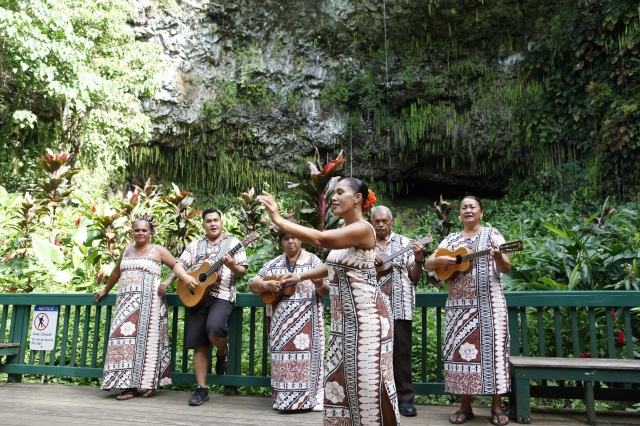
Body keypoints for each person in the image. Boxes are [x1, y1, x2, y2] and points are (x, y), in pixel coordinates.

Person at [257, 178, 400, 426]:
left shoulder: (364, 229)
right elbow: (332, 264)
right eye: (333, 193)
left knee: (371, 383)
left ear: (357, 198)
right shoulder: (345, 234)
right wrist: (301, 275)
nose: (334, 197)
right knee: (342, 384)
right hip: (342, 322)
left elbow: (322, 239)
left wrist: (279, 220)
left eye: (341, 192)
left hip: (367, 321)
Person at [424, 196, 511, 425]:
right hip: (457, 307)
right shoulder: (451, 239)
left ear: (481, 213)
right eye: (464, 207)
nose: (468, 210)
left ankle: (497, 406)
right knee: (460, 355)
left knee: (492, 354)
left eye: (473, 207)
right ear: (460, 214)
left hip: (489, 305)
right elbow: (429, 264)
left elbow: (506, 267)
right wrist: (442, 258)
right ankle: (465, 406)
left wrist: (499, 255)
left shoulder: (492, 235)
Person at [94, 215, 198, 401]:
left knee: (147, 344)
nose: (140, 233)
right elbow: (117, 271)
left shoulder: (157, 250)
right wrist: (105, 289)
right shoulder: (126, 249)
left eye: (144, 230)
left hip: (149, 303)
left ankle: (143, 385)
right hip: (125, 303)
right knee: (123, 342)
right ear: (132, 232)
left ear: (150, 232)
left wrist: (172, 281)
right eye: (137, 230)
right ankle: (125, 383)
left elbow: (178, 266)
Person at [160, 208, 248, 406]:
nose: (213, 224)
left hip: (221, 296)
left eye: (216, 220)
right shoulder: (195, 245)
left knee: (214, 328)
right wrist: (185, 279)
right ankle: (201, 389)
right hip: (196, 295)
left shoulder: (233, 244)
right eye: (209, 221)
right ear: (203, 224)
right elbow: (178, 265)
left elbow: (241, 271)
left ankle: (222, 350)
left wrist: (232, 265)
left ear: (221, 222)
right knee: (199, 343)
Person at [248, 222, 329, 412]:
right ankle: (282, 400)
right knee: (282, 363)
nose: (291, 241)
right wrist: (269, 286)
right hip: (281, 325)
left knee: (310, 361)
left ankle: (313, 400)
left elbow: (326, 290)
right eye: (286, 238)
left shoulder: (314, 262)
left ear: (301, 239)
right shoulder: (273, 264)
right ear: (281, 242)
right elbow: (253, 284)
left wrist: (318, 283)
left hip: (308, 324)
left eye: (294, 237)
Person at [370, 205, 424, 417]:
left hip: (400, 306)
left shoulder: (404, 243)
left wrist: (419, 258)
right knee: (373, 354)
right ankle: (376, 399)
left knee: (401, 354)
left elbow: (414, 277)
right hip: (372, 308)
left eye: (385, 221)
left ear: (392, 221)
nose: (381, 224)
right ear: (371, 221)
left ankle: (405, 399)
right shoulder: (365, 243)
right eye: (377, 221)